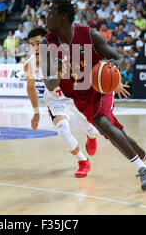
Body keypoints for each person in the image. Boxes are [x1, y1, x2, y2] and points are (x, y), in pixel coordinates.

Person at [40, 0, 146, 192]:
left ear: (63, 16)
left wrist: (111, 76)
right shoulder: (46, 43)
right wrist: (57, 72)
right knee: (114, 132)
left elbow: (118, 59)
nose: (46, 17)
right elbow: (49, 83)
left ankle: (144, 170)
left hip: (99, 89)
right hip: (78, 97)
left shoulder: (89, 35)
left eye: (51, 13)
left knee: (102, 123)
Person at [25, 27, 99, 178]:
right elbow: (31, 88)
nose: (35, 48)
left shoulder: (61, 53)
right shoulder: (29, 64)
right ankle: (83, 161)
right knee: (63, 130)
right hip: (55, 99)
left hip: (75, 94)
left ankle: (91, 136)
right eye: (32, 45)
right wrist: (36, 113)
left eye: (38, 43)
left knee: (88, 124)